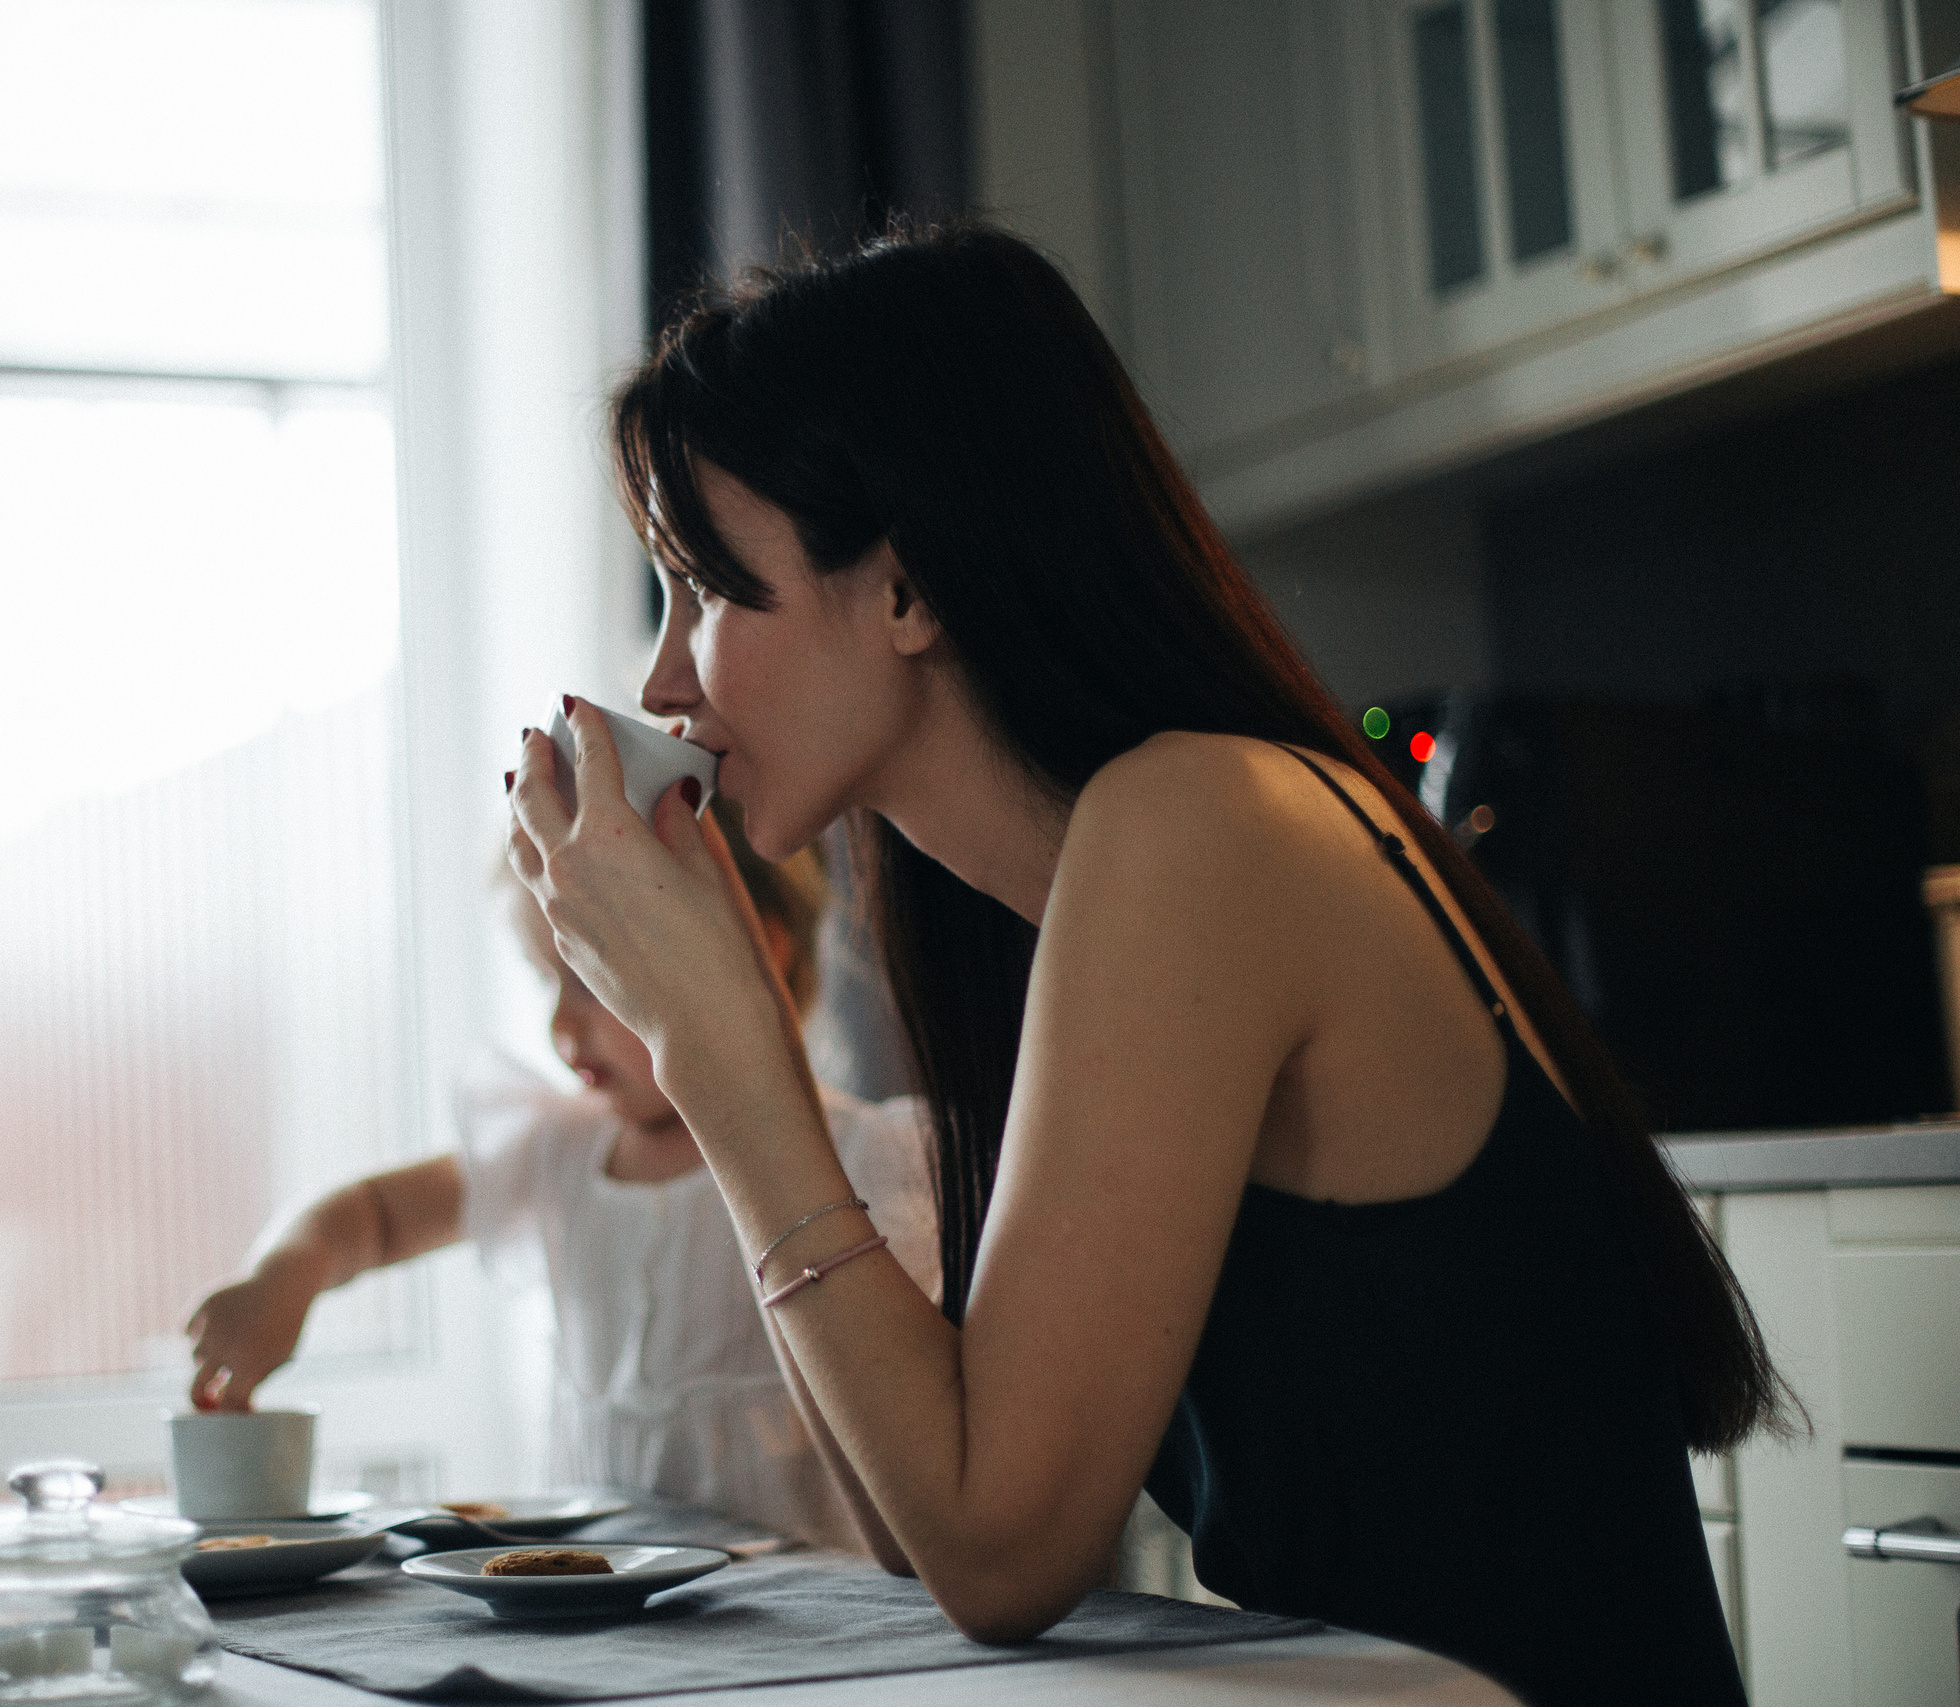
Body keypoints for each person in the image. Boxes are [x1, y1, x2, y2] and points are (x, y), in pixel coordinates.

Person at [502, 225, 1784, 1706]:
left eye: (703, 586)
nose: (663, 677)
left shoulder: (1204, 824)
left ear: (909, 590)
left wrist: (711, 1044)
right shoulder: (1050, 897)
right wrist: (708, 1026)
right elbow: (921, 1529)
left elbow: (997, 1553)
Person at [184, 803, 937, 1552]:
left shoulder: (860, 1161)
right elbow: (377, 1214)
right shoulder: (557, 1149)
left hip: (800, 1631)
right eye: (546, 979)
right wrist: (286, 1273)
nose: (560, 1029)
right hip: (593, 1617)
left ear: (752, 957)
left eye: (589, 975)